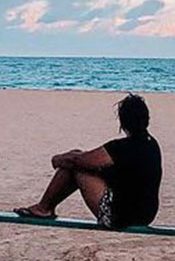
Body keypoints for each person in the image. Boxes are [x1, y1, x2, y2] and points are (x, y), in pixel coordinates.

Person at [14, 93, 162, 229]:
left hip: (120, 217)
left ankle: (44, 208)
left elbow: (80, 160)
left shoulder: (121, 147)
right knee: (77, 159)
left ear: (123, 123)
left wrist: (57, 159)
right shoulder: (152, 144)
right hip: (145, 215)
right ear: (146, 119)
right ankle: (44, 207)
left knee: (75, 164)